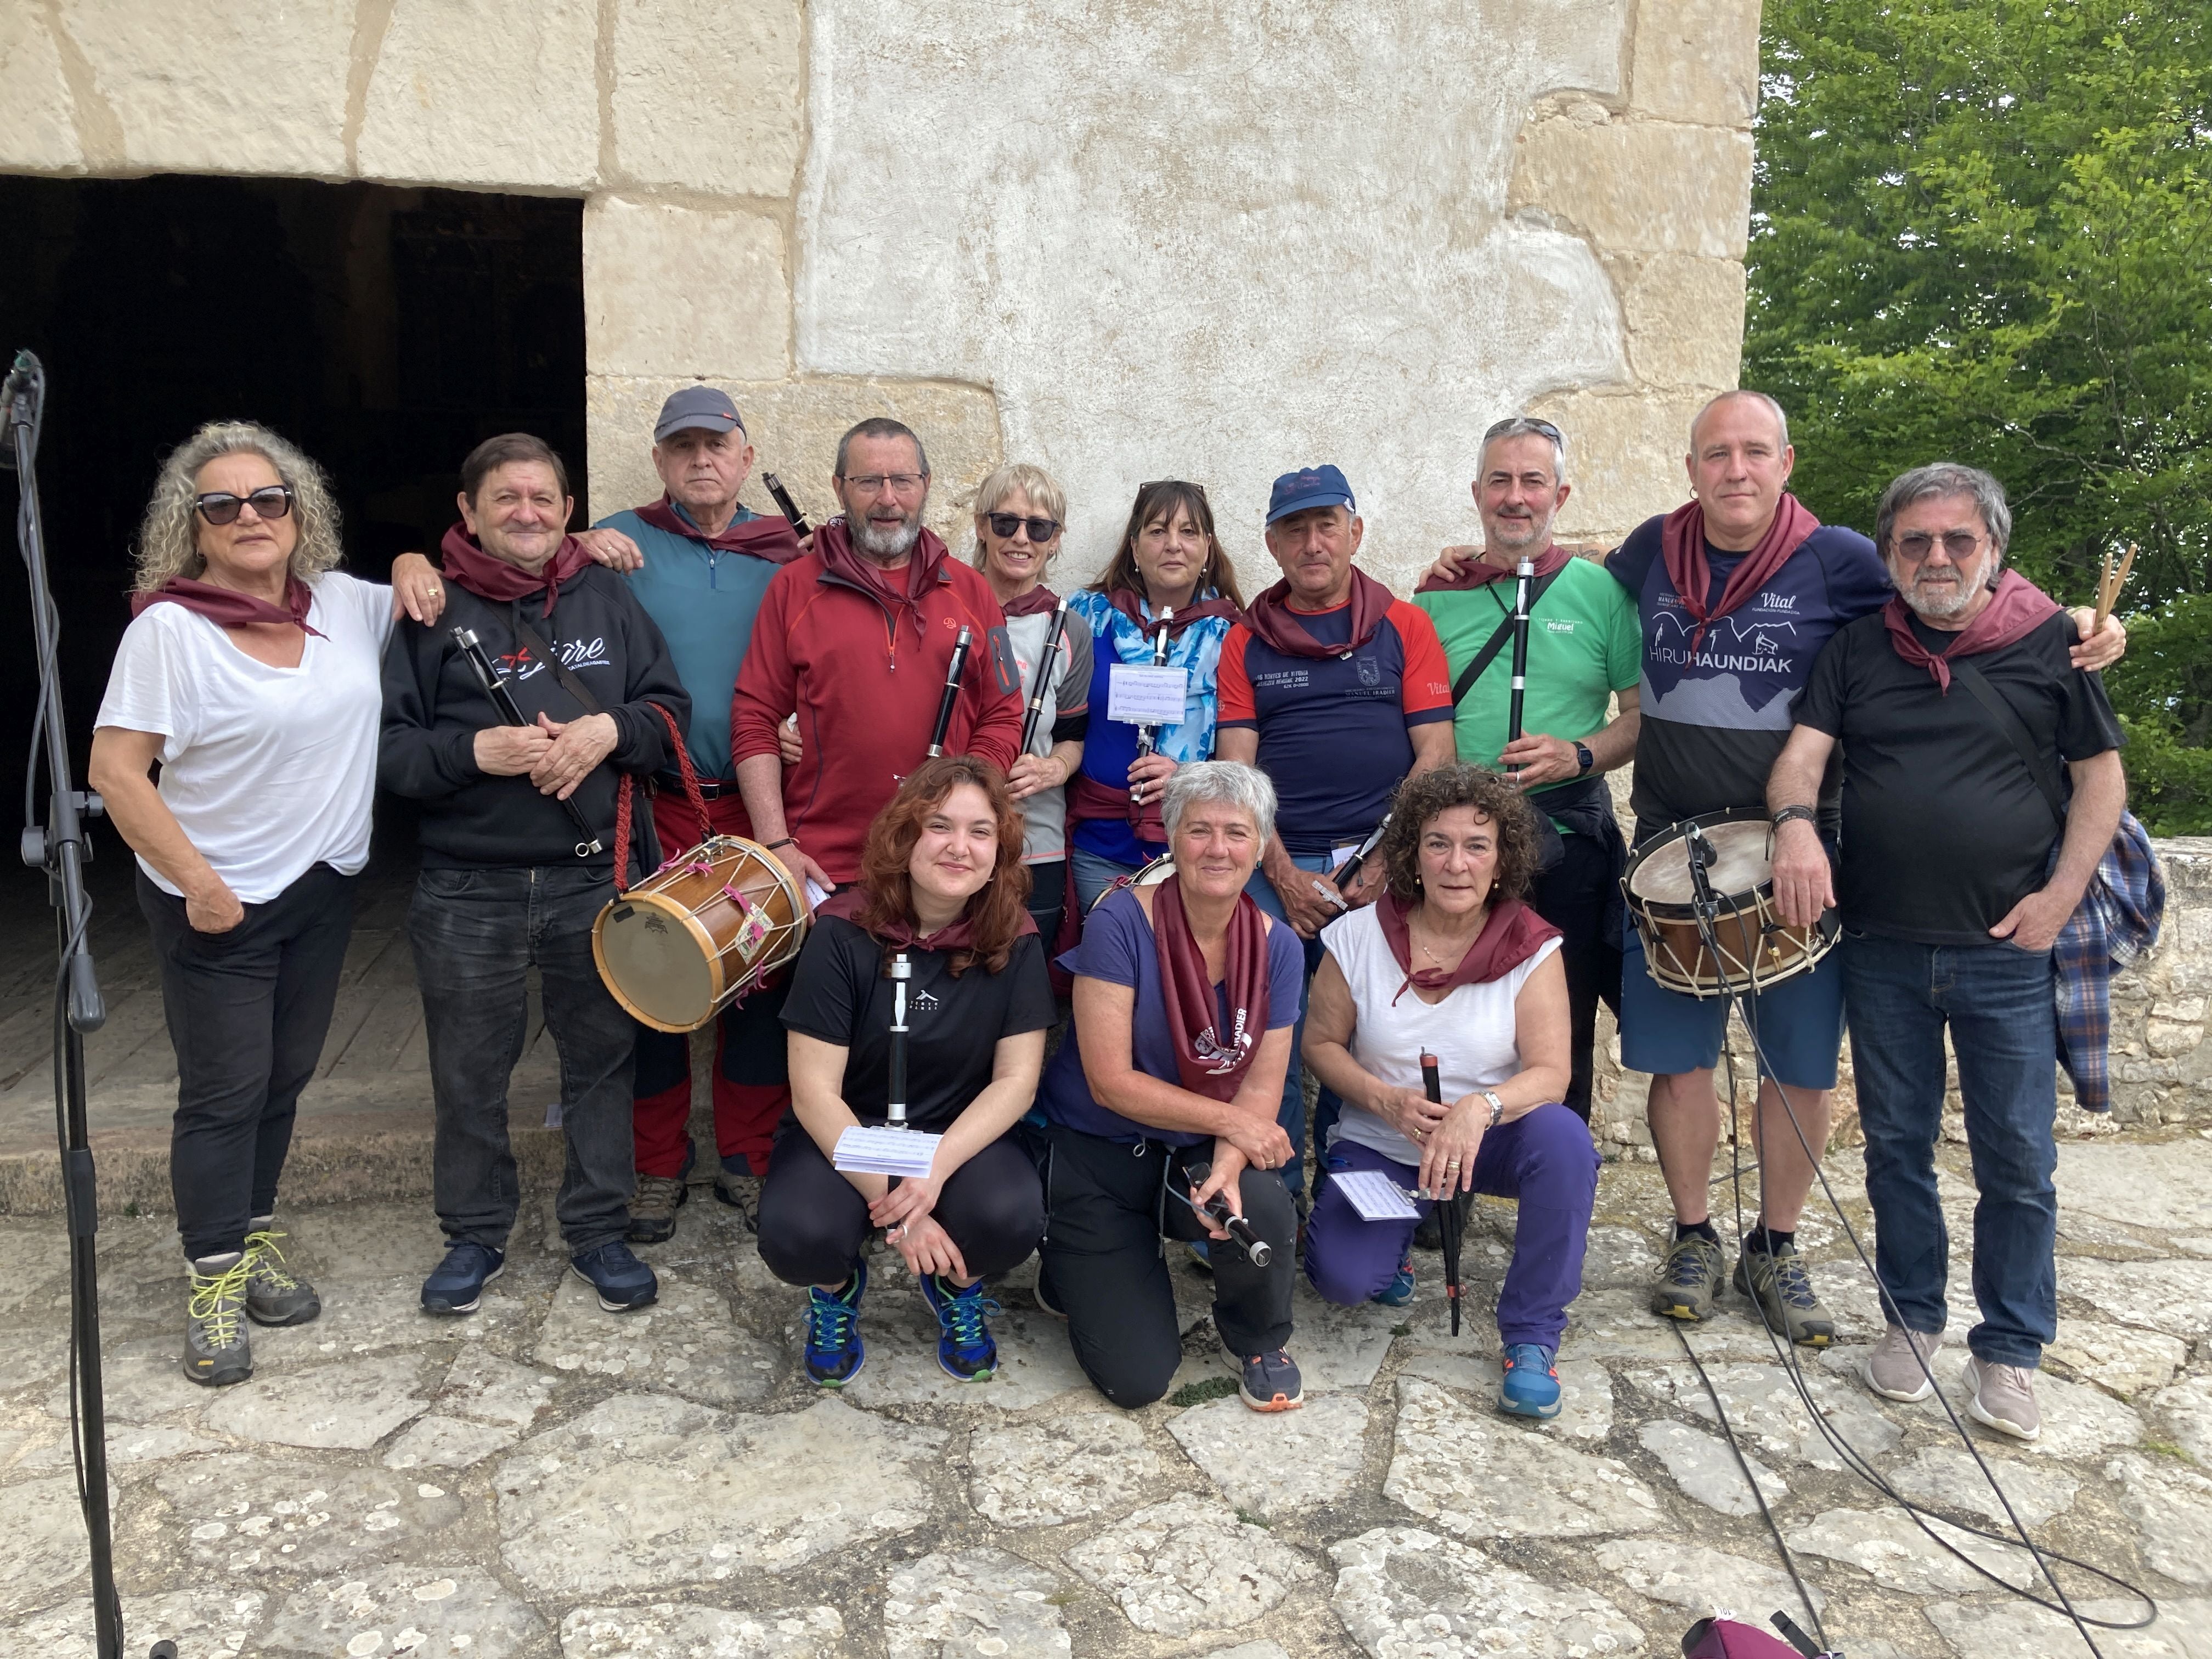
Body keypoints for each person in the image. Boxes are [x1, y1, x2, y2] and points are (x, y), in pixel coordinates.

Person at [1601, 390, 2127, 1347]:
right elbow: (1568, 600)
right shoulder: (1650, 549)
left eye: (1754, 451)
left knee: (1797, 1066)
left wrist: (2085, 624)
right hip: (1670, 851)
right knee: (1677, 1065)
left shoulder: (1839, 556)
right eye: (1716, 453)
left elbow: (1964, 597)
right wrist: (1470, 569)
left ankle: (1776, 1241)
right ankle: (1690, 1232)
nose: (1735, 470)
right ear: (1690, 468)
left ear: (1785, 462)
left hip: (1798, 856)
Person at [1768, 464, 2126, 1441]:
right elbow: (1801, 755)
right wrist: (1795, 825)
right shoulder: (1855, 649)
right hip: (1881, 943)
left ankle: (2009, 1346)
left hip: (2007, 951)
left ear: (1992, 551)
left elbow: (2101, 780)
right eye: (1915, 542)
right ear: (1889, 554)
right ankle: (1910, 1318)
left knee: (2016, 1159)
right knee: (1895, 1150)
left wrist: (2059, 898)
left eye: (1956, 541)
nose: (1935, 557)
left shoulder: (2055, 642)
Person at [89, 421, 447, 1385]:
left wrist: (414, 552)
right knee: (223, 1089)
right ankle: (211, 1278)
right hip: (215, 897)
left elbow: (422, 588)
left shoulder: (335, 603)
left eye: (268, 499)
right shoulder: (170, 628)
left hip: (320, 885)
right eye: (222, 504)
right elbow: (117, 773)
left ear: (299, 513)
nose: (249, 516)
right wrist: (200, 883)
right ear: (193, 526)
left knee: (283, 1078)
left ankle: (248, 1236)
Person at [382, 432, 689, 1319]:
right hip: (466, 887)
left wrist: (608, 732)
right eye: (507, 498)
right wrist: (474, 749)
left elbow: (668, 712)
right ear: (468, 511)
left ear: (567, 510)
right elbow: (390, 753)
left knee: (601, 1064)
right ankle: (474, 1232)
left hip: (591, 876)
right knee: (469, 1072)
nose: (528, 512)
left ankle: (597, 1226)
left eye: (545, 498)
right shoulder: (427, 607)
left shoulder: (607, 595)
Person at [1302, 766, 1594, 1418]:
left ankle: (1531, 1335)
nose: (1456, 864)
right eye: (1438, 843)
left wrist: (1480, 1108)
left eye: (1477, 846)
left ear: (1502, 860)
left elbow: (1551, 1073)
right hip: (1385, 1137)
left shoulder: (1533, 947)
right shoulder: (1358, 936)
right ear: (1412, 853)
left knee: (1564, 1141)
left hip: (1485, 1140)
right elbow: (1319, 1045)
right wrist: (1383, 1101)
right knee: (1344, 1281)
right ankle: (1401, 1233)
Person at [759, 757, 1053, 1385]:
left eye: (980, 832)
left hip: (956, 1131)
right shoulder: (841, 932)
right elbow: (814, 1094)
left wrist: (932, 1172)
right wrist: (904, 1211)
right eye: (939, 825)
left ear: (998, 850)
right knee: (796, 1234)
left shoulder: (1016, 938)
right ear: (905, 834)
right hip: (850, 1125)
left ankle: (958, 1283)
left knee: (1011, 1218)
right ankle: (837, 1288)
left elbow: (1016, 1083)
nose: (959, 847)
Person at [589, 387, 804, 1240]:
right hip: (653, 804)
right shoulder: (620, 543)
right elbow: (516, 569)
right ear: (659, 462)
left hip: (758, 806)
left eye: (717, 444)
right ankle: (655, 1166)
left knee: (759, 978)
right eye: (683, 448)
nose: (701, 460)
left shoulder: (790, 554)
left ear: (746, 457)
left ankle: (749, 1159)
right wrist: (576, 540)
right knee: (650, 983)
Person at [1215, 465, 1456, 1199]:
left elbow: (1436, 755)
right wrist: (1285, 876)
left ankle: (1355, 1198)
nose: (1312, 542)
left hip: (1380, 865)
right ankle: (1275, 1195)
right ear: (1272, 543)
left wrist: (1379, 865)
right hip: (1271, 866)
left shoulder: (1405, 626)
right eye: (1295, 528)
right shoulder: (1245, 640)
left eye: (1326, 525)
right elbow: (1237, 774)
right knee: (1268, 1036)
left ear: (1356, 532)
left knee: (1371, 1038)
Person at [1036, 761, 1307, 1411]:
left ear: (1261, 844)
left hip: (1192, 1151)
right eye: (1200, 831)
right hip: (1100, 1155)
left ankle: (1260, 1337)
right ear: (1171, 837)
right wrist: (1236, 1127)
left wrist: (1231, 1164)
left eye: (1238, 833)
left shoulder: (1280, 948)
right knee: (1137, 1380)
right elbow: (1110, 1082)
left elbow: (1263, 1086)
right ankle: (1072, 1268)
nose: (1219, 849)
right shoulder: (1120, 923)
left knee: (1262, 1206)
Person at [1414, 416, 1640, 1123]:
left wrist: (1577, 754)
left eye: (1533, 481)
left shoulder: (1604, 594)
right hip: (1456, 845)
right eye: (1501, 481)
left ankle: (1554, 1180)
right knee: (1451, 1014)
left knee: (1562, 1019)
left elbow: (1642, 716)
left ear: (1561, 495)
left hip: (1566, 840)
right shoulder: (1436, 595)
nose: (1516, 497)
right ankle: (1450, 1183)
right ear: (1476, 492)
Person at [732, 419, 1024, 892]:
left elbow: (1003, 715)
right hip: (822, 868)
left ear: (925, 485)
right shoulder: (792, 588)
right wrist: (776, 843)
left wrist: (960, 812)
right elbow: (753, 717)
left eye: (903, 481)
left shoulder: (974, 593)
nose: (888, 499)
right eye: (868, 481)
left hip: (941, 867)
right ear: (839, 488)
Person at [1064, 480, 1245, 914]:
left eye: (1188, 532)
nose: (1173, 546)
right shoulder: (1087, 617)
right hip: (1099, 845)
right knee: (1110, 968)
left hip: (1196, 848)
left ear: (1207, 547)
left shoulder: (1234, 634)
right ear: (1134, 546)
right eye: (1158, 531)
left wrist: (1187, 775)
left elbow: (1248, 749)